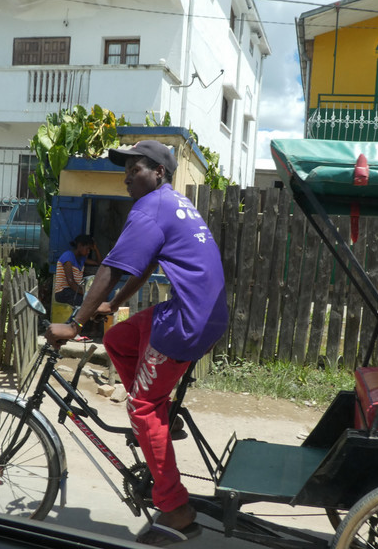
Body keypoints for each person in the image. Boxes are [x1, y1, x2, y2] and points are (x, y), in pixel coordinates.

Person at [45, 140, 228, 546]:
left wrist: (74, 325)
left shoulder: (150, 208)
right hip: (198, 311)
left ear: (159, 172)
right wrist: (113, 305)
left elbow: (109, 268)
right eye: (125, 169)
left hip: (186, 320)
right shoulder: (170, 203)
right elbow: (142, 266)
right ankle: (156, 419)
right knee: (119, 339)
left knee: (141, 406)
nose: (127, 176)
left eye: (136, 168)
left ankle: (176, 508)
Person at [53, 234, 101, 307]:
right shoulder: (68, 256)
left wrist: (96, 248)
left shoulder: (82, 259)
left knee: (97, 300)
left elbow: (99, 263)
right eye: (87, 249)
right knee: (89, 303)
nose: (88, 252)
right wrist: (85, 293)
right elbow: (70, 281)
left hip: (73, 291)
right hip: (63, 292)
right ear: (80, 246)